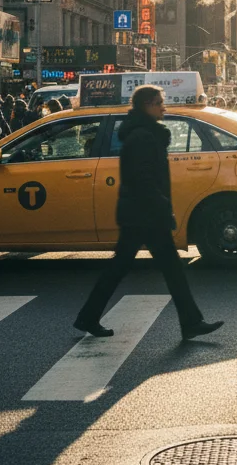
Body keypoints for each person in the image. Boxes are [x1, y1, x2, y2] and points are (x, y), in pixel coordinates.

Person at [74, 87, 223, 340]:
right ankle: (190, 322)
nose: (163, 107)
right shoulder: (143, 137)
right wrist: (163, 206)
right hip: (145, 214)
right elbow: (142, 179)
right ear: (146, 105)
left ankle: (89, 316)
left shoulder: (143, 134)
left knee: (138, 268)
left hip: (140, 213)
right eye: (158, 103)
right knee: (161, 268)